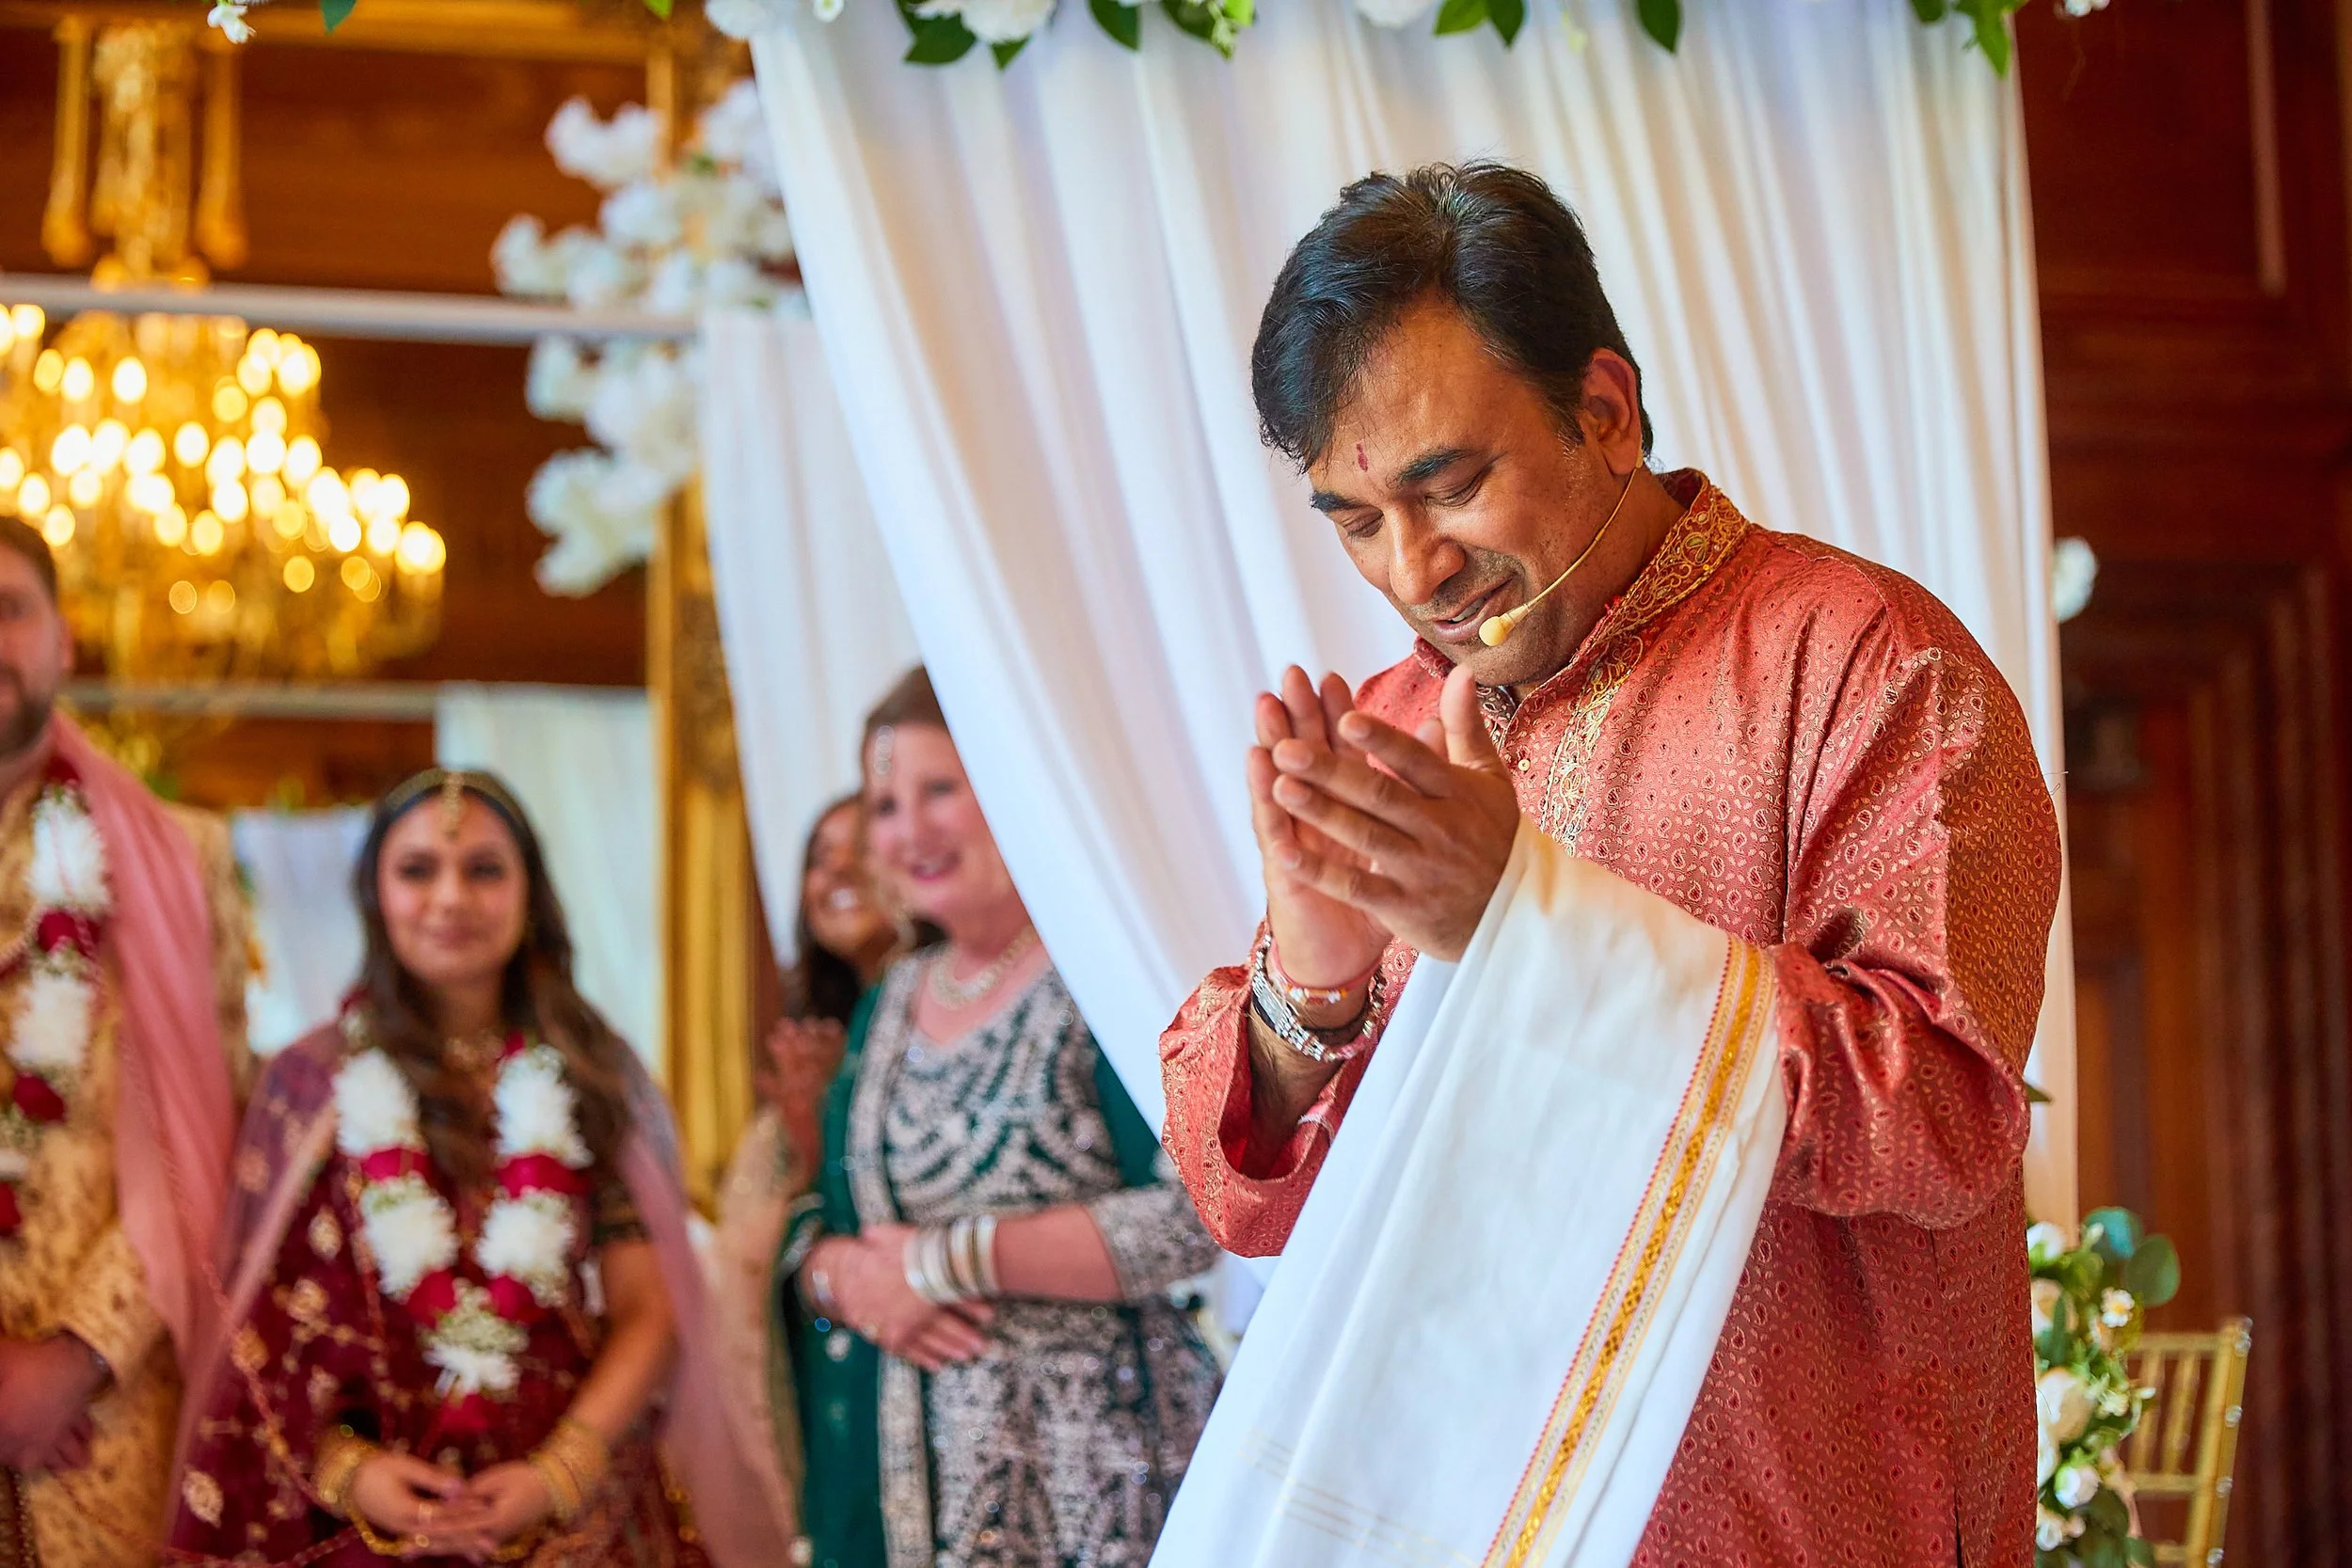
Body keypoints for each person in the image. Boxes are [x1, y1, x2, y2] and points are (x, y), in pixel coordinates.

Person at [1158, 164, 2063, 1567]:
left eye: (1448, 487)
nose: (1411, 571)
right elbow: (1252, 1201)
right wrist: (1311, 989)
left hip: (1799, 1515)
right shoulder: (1395, 729)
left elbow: (1941, 1111)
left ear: (1605, 411)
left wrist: (1530, 923)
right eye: (1352, 518)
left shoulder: (1869, 664)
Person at [167, 768, 792, 1566]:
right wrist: (353, 1474)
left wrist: (558, 1472)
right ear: (375, 895)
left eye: (485, 869)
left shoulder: (592, 1072)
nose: (451, 897)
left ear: (531, 893)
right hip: (365, 1518)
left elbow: (651, 1302)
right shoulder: (308, 1084)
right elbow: (259, 1330)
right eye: (417, 869)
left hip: (570, 1512)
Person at [780, 668, 1221, 1568]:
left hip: (1098, 1478)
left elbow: (1193, 1216)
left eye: (941, 789)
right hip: (902, 1494)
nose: (912, 831)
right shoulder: (892, 999)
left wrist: (947, 1261)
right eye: (887, 804)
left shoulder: (1099, 973)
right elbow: (830, 1214)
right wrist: (836, 1274)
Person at [0, 516, 253, 1568]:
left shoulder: (176, 855)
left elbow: (210, 1139)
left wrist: (71, 1360)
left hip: (104, 1416)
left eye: (10, 610)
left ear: (63, 638)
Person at [710, 792, 907, 1531]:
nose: (839, 870)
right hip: (830, 1403)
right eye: (819, 856)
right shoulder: (811, 1044)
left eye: (862, 842)